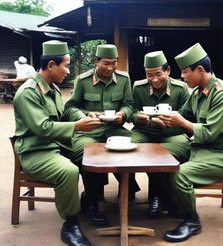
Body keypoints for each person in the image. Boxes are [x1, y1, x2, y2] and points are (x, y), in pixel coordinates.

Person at [13, 40, 104, 246]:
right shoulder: (29, 92)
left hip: (56, 146)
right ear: (51, 65)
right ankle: (70, 224)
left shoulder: (51, 88)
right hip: (36, 151)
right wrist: (78, 127)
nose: (69, 71)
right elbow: (43, 128)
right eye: (66, 65)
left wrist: (84, 115)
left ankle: (90, 202)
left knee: (94, 154)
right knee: (68, 171)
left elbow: (65, 113)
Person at [157, 43, 223, 242]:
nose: (182, 77)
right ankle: (176, 204)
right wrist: (164, 120)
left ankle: (192, 220)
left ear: (200, 70)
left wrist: (181, 121)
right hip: (200, 148)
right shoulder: (197, 93)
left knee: (178, 175)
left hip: (221, 154)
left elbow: (210, 133)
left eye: (185, 72)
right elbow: (183, 118)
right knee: (159, 157)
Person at [64, 44, 140, 222]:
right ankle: (91, 200)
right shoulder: (83, 80)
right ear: (95, 61)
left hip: (115, 129)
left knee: (136, 146)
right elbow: (70, 107)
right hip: (90, 130)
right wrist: (85, 115)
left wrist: (123, 114)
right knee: (85, 153)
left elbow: (129, 104)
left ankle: (128, 187)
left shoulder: (123, 79)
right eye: (106, 63)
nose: (110, 68)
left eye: (114, 63)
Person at [130, 51, 190, 217]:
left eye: (158, 74)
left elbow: (187, 118)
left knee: (168, 152)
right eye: (149, 75)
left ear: (168, 71)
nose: (154, 79)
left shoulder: (181, 89)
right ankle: (131, 188)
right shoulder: (138, 87)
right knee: (128, 148)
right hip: (145, 130)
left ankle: (160, 196)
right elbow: (131, 111)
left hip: (173, 132)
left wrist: (168, 124)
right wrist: (140, 118)